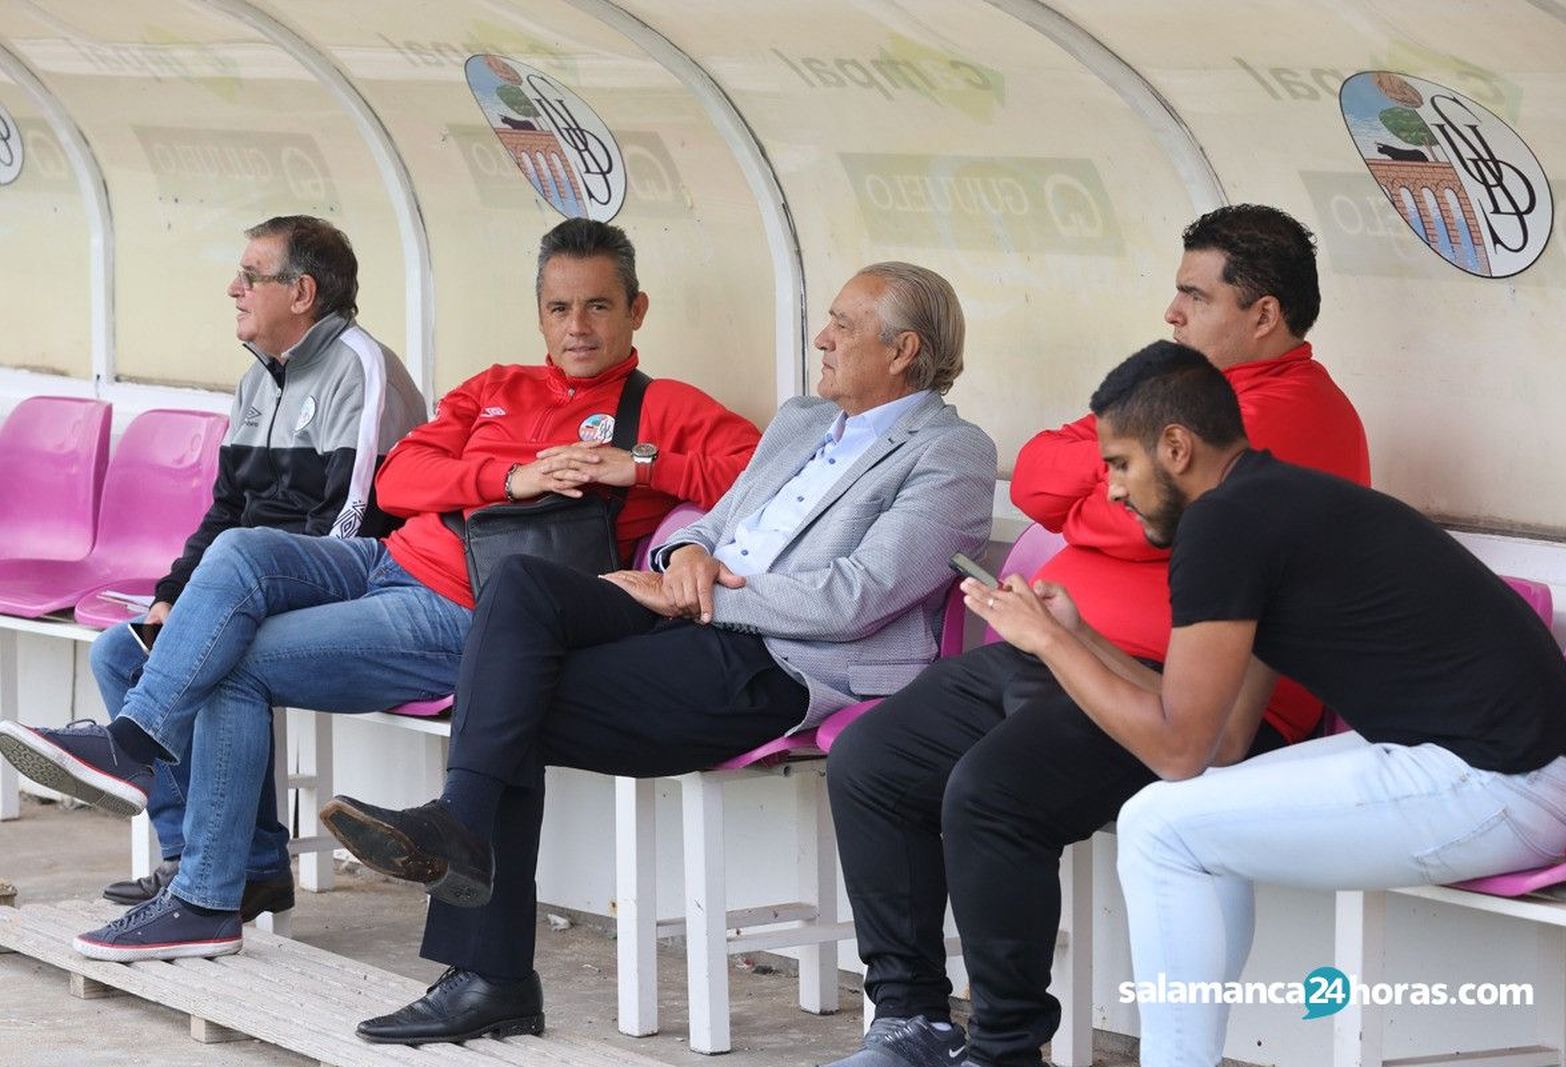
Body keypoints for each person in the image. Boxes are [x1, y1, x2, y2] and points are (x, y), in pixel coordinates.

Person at [0, 217, 761, 962]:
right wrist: (507, 476)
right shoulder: (497, 386)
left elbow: (762, 467)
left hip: (464, 609)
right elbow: (400, 477)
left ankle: (202, 892)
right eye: (560, 308)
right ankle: (144, 740)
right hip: (384, 562)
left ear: (637, 309)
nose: (579, 326)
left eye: (599, 305)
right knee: (239, 551)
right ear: (539, 314)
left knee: (233, 659)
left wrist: (643, 467)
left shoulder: (666, 407)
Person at [318, 261, 997, 1046]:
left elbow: (859, 595)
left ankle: (488, 962)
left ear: (905, 350)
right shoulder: (805, 420)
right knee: (521, 590)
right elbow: (712, 521)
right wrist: (681, 557)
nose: (823, 337)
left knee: (506, 699)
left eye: (844, 325)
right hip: (695, 614)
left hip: (781, 656)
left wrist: (701, 595)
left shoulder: (951, 454)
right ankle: (464, 842)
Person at [822, 204, 1370, 1067]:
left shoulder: (1297, 410)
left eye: (1195, 295)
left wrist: (1106, 500)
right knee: (872, 761)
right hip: (1054, 646)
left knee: (991, 794)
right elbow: (1042, 472)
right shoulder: (1179, 392)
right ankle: (911, 1017)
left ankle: (1005, 1047)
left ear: (1264, 315)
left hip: (1189, 692)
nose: (1172, 313)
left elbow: (1145, 524)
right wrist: (1115, 478)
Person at [972, 341, 1566, 1066]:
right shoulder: (1263, 503)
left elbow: (1175, 749)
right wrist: (1080, 637)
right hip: (1496, 767)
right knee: (1194, 813)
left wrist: (1049, 643)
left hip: (1504, 784)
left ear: (1175, 446)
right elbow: (1223, 737)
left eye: (1119, 464)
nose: (1111, 490)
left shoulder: (1223, 525)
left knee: (1157, 824)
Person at [89, 214, 428, 922]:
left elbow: (354, 521)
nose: (233, 288)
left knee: (216, 650)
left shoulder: (361, 366)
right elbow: (225, 511)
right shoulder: (256, 382)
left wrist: (238, 603)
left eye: (251, 275)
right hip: (252, 579)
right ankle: (222, 862)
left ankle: (220, 852)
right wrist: (175, 598)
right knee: (123, 651)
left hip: (351, 582)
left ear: (301, 291)